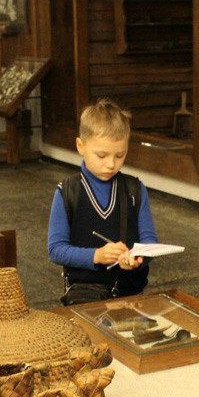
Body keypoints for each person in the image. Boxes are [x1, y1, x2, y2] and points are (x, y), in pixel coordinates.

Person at [47, 98, 158, 305]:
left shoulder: (135, 189)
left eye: (120, 155)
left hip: (131, 295)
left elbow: (149, 242)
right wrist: (96, 255)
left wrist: (137, 259)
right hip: (85, 296)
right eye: (101, 155)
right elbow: (56, 249)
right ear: (80, 146)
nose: (111, 164)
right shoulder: (67, 191)